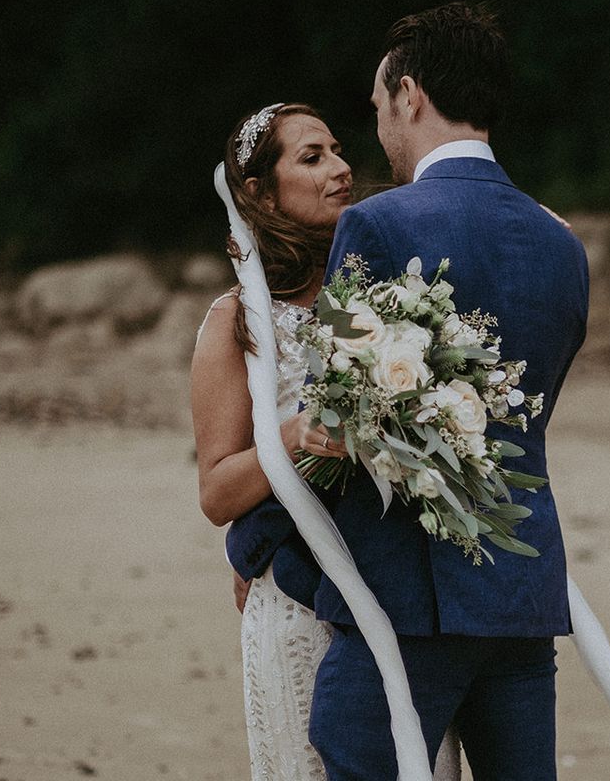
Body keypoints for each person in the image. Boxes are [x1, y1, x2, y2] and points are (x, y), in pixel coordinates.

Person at [305, 3, 590, 780]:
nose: (379, 133)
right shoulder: (563, 243)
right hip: (523, 589)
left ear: (410, 95)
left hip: (406, 592)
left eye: (377, 107)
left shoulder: (376, 225)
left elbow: (334, 419)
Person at [191, 102, 461, 781]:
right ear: (258, 191)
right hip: (301, 605)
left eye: (338, 150)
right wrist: (293, 437)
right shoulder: (237, 322)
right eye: (312, 158)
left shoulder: (394, 296)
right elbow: (218, 492)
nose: (342, 169)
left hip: (410, 597)